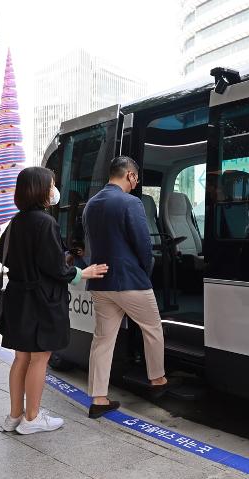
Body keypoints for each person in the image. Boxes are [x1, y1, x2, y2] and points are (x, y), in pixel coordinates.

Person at [0, 167, 107, 434]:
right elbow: (56, 269)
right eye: (51, 184)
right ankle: (32, 418)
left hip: (18, 298)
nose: (54, 189)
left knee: (21, 357)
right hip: (41, 301)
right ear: (40, 189)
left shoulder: (16, 221)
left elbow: (3, 254)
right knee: (40, 358)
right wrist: (83, 271)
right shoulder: (45, 222)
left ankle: (14, 416)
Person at [83, 156, 168, 419]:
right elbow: (143, 245)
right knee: (152, 328)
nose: (136, 183)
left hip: (101, 281)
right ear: (130, 175)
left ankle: (98, 398)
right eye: (136, 178)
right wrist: (147, 269)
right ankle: (157, 380)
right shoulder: (131, 203)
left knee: (103, 339)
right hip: (130, 281)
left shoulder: (91, 205)